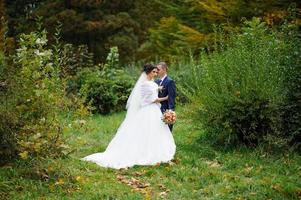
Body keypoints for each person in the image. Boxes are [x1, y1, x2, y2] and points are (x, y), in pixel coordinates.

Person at [81, 64, 176, 169]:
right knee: (145, 130)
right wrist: (165, 98)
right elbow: (150, 100)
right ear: (148, 72)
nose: (155, 73)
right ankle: (143, 151)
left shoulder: (152, 83)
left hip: (154, 110)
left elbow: (152, 95)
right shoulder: (145, 84)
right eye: (153, 72)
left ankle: (155, 149)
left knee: (155, 130)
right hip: (149, 109)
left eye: (156, 72)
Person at [155, 62, 176, 131]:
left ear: (164, 70)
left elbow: (171, 97)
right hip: (156, 109)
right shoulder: (156, 81)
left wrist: (170, 112)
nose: (156, 71)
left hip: (165, 111)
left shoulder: (170, 81)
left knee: (166, 132)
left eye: (158, 69)